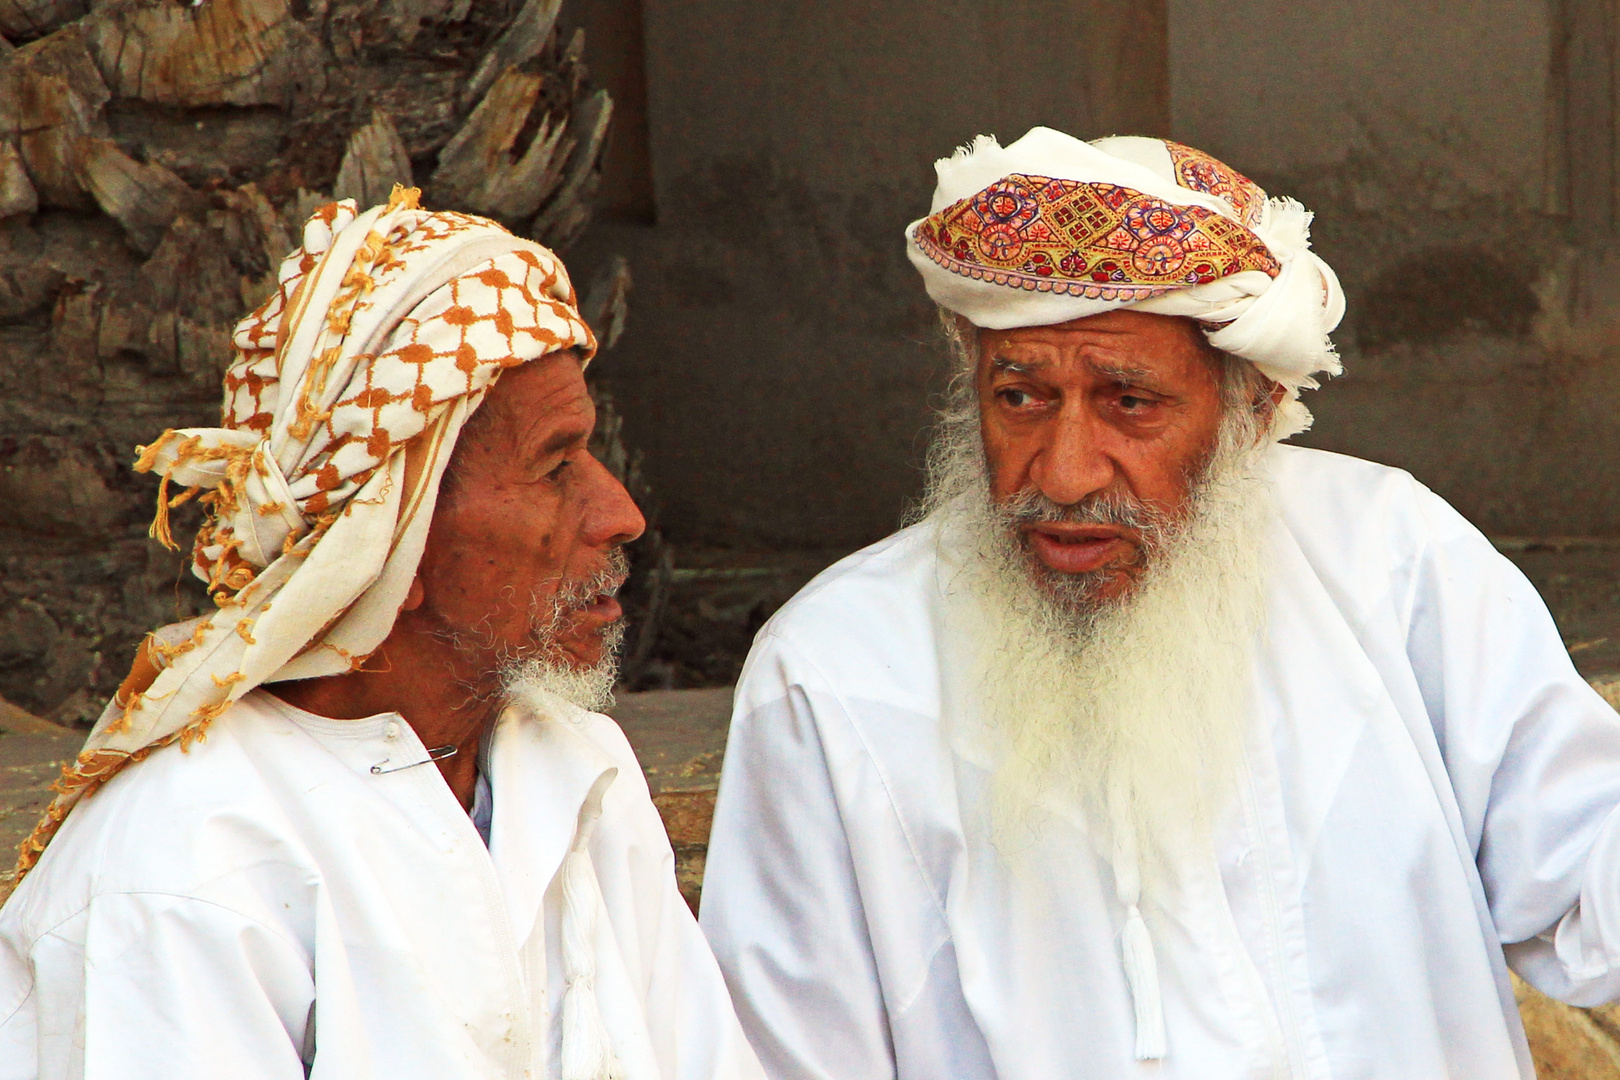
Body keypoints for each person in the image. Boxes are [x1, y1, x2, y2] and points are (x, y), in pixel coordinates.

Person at [698, 127, 1620, 1079]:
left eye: (1129, 402)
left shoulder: (1391, 561)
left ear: (1251, 410)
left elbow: (1589, 883)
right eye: (1019, 398)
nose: (1061, 475)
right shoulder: (833, 672)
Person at [0, 190, 763, 1080]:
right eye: (556, 466)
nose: (621, 515)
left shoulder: (573, 767)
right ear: (389, 543)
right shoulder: (185, 863)